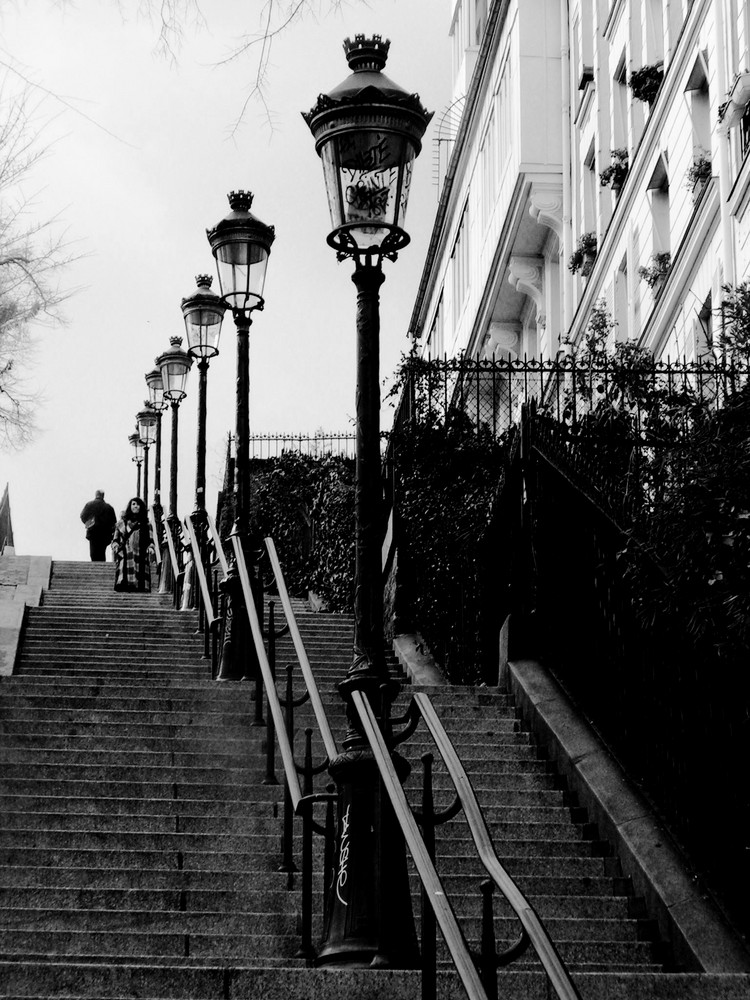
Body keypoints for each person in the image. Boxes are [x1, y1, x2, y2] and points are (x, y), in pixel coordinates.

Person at [112, 497, 155, 592]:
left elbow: (151, 541)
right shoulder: (121, 523)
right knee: (124, 584)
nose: (135, 506)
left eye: (138, 504)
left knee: (140, 585)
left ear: (141, 507)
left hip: (141, 556)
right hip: (125, 555)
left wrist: (151, 548)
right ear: (130, 506)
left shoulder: (146, 524)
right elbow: (115, 540)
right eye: (133, 504)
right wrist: (115, 547)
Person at [79, 490, 117, 562]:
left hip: (93, 532)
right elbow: (114, 523)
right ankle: (101, 566)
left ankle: (95, 566)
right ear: (103, 496)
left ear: (96, 495)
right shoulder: (109, 507)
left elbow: (82, 516)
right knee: (102, 552)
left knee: (93, 552)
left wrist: (88, 523)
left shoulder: (89, 505)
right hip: (105, 534)